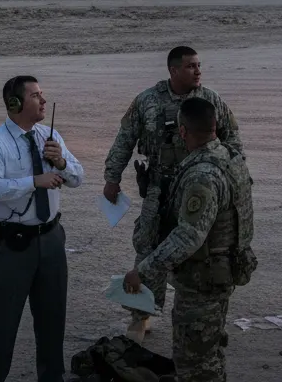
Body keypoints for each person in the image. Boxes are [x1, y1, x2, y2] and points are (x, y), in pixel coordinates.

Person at [102, 45, 243, 341]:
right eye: (191, 66)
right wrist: (112, 178)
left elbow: (233, 143)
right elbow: (124, 139)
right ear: (173, 70)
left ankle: (205, 314)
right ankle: (141, 315)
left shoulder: (210, 100)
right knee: (148, 247)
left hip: (200, 185)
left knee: (205, 249)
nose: (198, 71)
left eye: (199, 65)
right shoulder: (148, 101)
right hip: (161, 188)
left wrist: (233, 179)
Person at [123, 97, 256, 382]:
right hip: (221, 272)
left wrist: (142, 271)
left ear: (182, 131)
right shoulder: (230, 157)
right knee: (211, 352)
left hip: (202, 280)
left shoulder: (201, 174)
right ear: (215, 126)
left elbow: (188, 236)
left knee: (193, 362)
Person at [0, 75, 84, 382]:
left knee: (52, 318)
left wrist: (61, 162)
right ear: (15, 104)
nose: (43, 100)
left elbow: (79, 178)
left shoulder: (49, 137)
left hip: (50, 240)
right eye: (36, 95)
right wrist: (33, 182)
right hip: (12, 245)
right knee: (2, 321)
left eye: (42, 94)